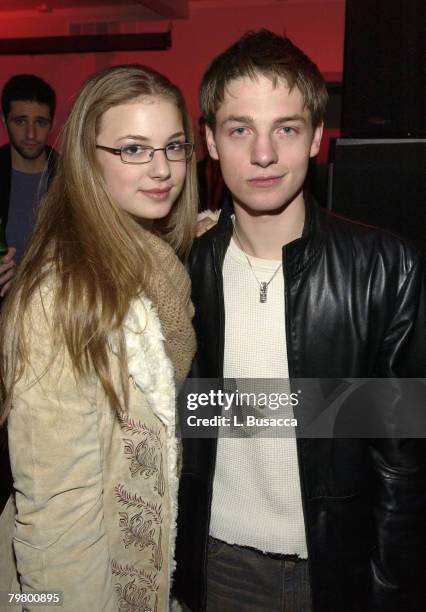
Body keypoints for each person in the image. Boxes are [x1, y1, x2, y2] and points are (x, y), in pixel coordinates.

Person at [173, 30, 426, 612]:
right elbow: (176, 418)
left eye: (285, 128)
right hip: (218, 564)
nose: (264, 155)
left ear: (316, 137)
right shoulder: (179, 272)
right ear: (209, 140)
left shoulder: (387, 267)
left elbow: (402, 460)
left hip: (340, 571)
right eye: (240, 130)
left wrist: (389, 591)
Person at [0, 64, 197, 611]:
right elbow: (55, 514)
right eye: (134, 149)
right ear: (88, 160)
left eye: (173, 146)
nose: (162, 169)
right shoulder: (63, 295)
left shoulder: (154, 263)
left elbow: (172, 418)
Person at [0, 74, 58, 296]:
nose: (31, 134)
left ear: (51, 124)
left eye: (40, 122)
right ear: (4, 122)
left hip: (57, 315)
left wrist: (28, 280)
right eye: (21, 121)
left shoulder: (70, 178)